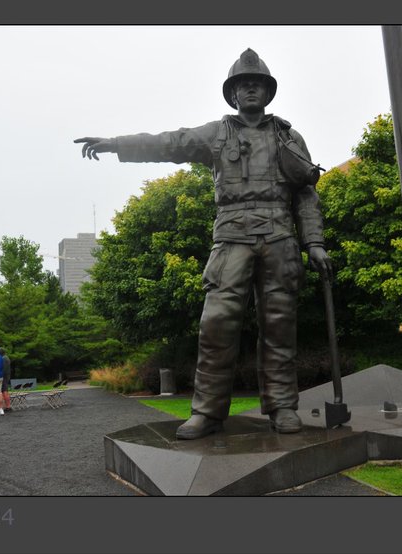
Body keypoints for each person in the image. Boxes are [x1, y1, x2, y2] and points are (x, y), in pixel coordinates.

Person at [75, 48, 332, 439]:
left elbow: (306, 194)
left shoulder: (288, 136)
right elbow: (169, 142)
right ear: (232, 94)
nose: (250, 89)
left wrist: (314, 242)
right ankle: (208, 412)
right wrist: (116, 143)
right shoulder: (216, 134)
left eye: (257, 84)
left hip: (280, 237)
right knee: (216, 324)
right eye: (243, 84)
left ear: (267, 91)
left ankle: (282, 406)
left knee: (280, 327)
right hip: (231, 237)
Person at [0, 346, 14, 413]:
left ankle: (8, 406)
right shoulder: (6, 357)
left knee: (4, 391)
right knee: (5, 391)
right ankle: (7, 406)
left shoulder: (4, 358)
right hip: (6, 376)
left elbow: (4, 369)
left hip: (4, 377)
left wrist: (0, 375)